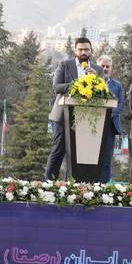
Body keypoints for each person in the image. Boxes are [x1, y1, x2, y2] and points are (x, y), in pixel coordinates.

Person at [45, 37, 102, 181]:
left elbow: (102, 93)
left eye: (86, 49)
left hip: (86, 117)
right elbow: (56, 87)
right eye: (80, 49)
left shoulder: (97, 69)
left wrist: (95, 80)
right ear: (75, 51)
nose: (83, 52)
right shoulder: (65, 65)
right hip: (62, 115)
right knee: (59, 149)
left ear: (91, 51)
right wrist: (78, 84)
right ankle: (48, 183)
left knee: (80, 154)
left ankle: (77, 184)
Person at [97, 55, 125, 183]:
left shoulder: (117, 85)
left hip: (110, 125)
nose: (105, 69)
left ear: (111, 68)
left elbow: (121, 104)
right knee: (94, 156)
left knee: (107, 157)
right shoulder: (90, 84)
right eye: (102, 66)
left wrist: (109, 114)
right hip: (94, 125)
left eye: (107, 66)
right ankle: (92, 184)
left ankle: (103, 185)